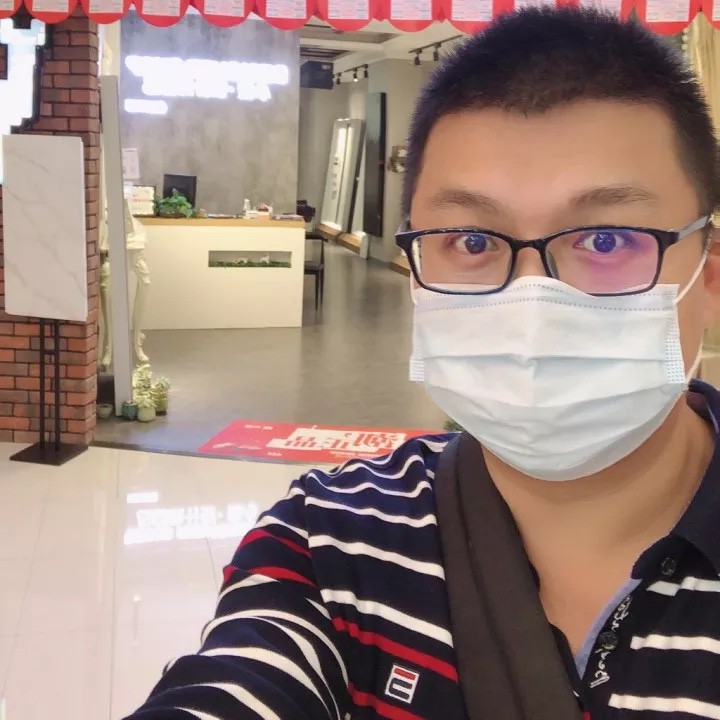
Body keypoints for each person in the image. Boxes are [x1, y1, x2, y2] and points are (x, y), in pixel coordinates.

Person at [125, 8, 720, 719]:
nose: (532, 304)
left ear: (710, 274)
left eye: (606, 239)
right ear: (415, 273)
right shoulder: (327, 543)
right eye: (472, 242)